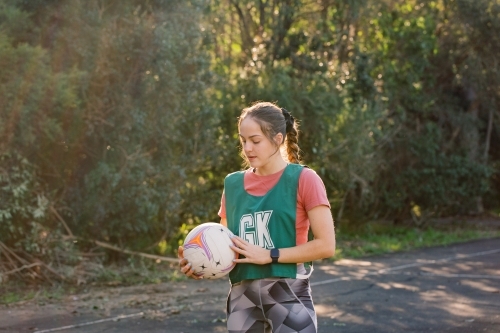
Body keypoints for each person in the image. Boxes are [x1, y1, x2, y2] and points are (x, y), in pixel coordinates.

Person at [178, 101, 336, 333]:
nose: (247, 149)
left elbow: (326, 245)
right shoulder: (232, 184)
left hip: (288, 292)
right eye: (243, 141)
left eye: (255, 141)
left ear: (278, 138)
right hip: (243, 299)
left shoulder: (304, 179)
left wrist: (269, 255)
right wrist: (201, 262)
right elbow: (225, 247)